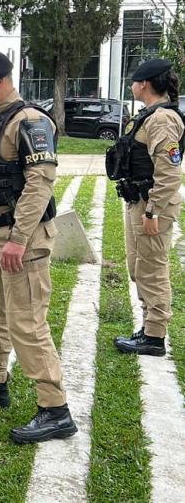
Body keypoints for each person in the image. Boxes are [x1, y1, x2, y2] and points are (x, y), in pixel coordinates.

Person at [0, 50, 76, 444]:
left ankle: (55, 409)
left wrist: (19, 240)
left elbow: (40, 184)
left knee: (26, 322)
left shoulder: (31, 122)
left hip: (23, 239)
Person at [109, 59, 184, 356]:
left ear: (144, 84)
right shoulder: (150, 116)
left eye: (133, 81)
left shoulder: (162, 119)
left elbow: (169, 172)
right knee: (138, 265)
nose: (131, 86)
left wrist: (153, 211)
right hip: (139, 200)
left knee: (151, 268)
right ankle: (148, 326)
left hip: (152, 205)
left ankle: (154, 336)